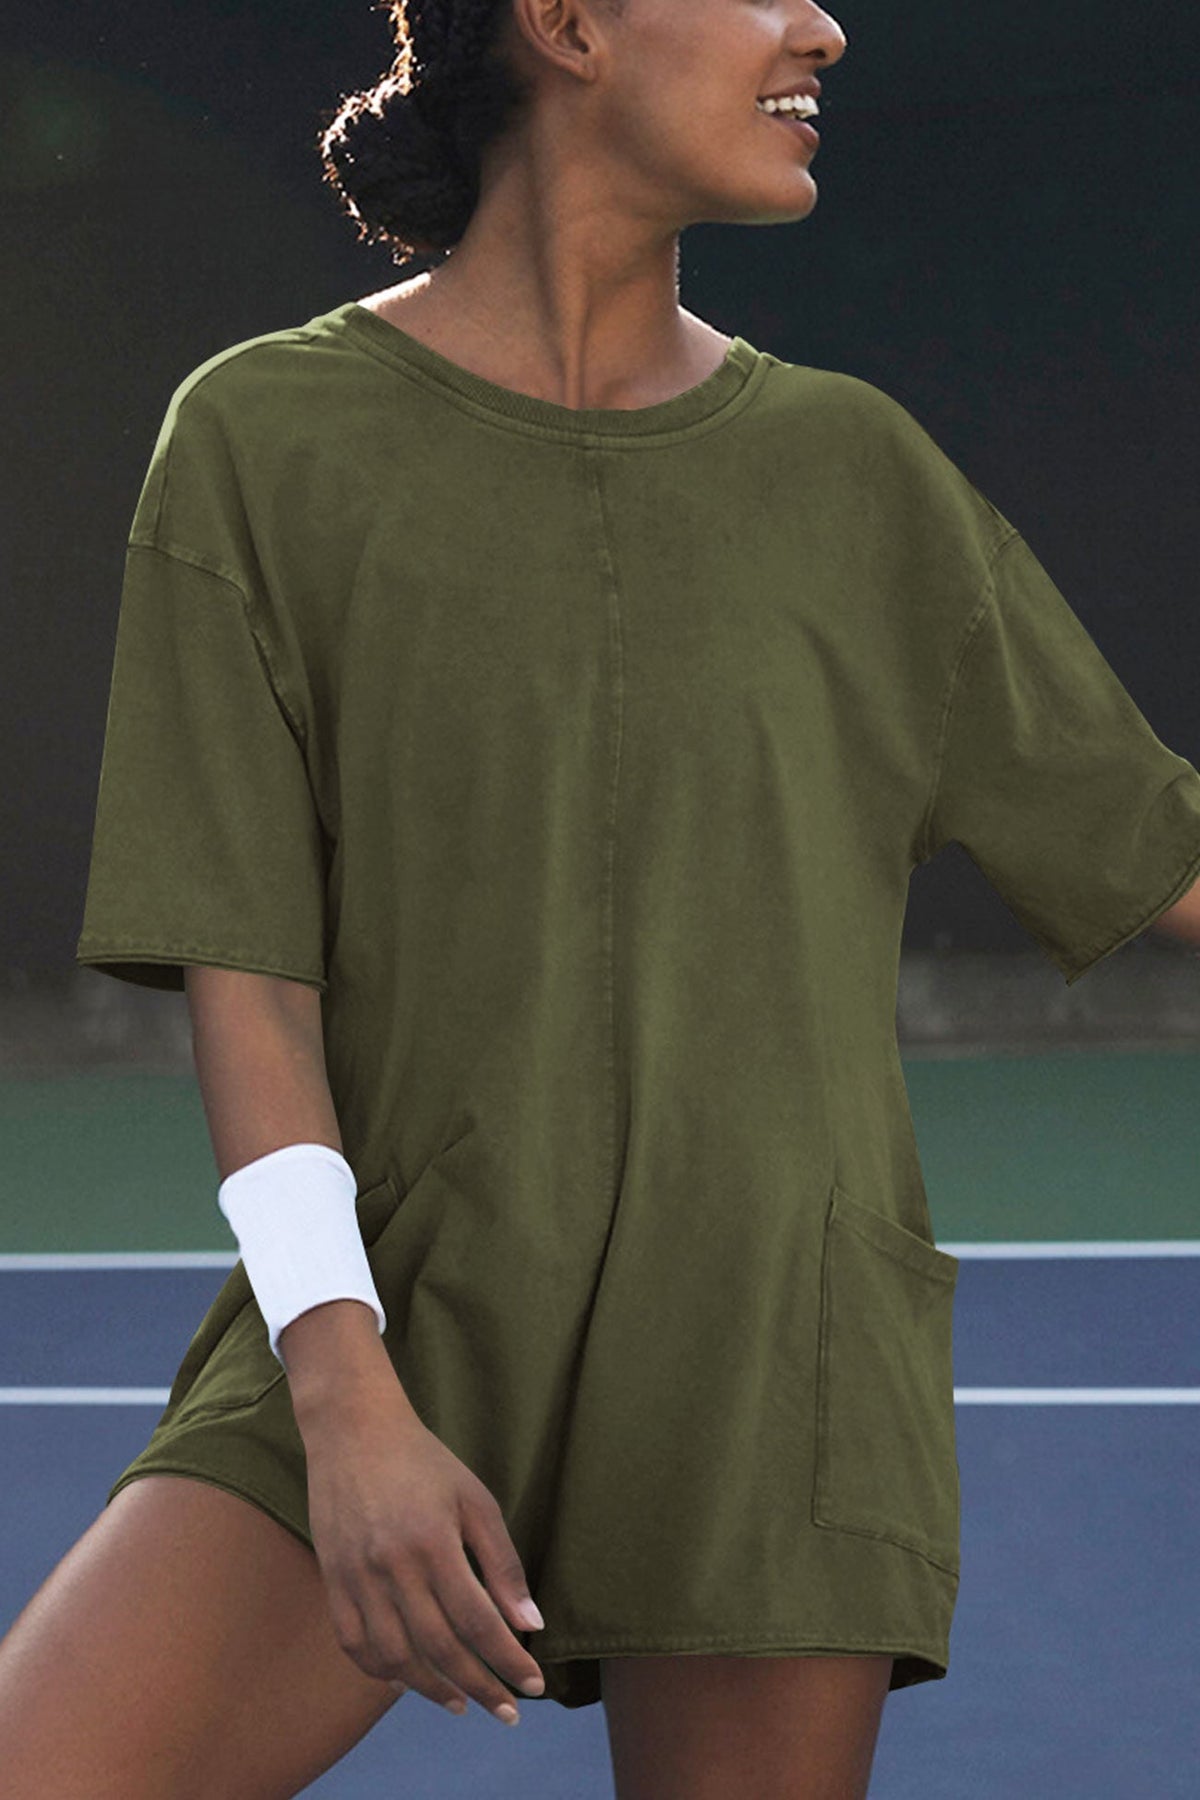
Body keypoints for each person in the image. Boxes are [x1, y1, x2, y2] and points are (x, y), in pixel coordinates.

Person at [4, 1, 1200, 1795]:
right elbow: (250, 971)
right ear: (564, 22)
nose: (823, 26)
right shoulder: (260, 437)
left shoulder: (858, 472)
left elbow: (1161, 858)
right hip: (391, 1325)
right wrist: (341, 1391)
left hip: (778, 1371)